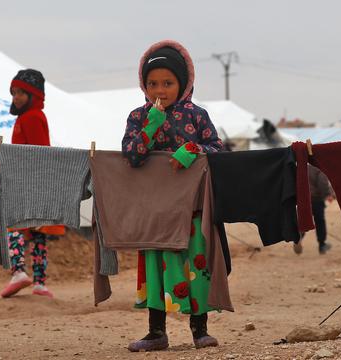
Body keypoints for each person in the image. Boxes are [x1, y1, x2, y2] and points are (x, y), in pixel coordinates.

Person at [122, 40, 225, 352]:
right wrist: (150, 128)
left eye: (167, 83)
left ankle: (200, 330)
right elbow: (131, 156)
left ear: (183, 83)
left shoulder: (196, 115)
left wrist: (192, 149)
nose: (159, 90)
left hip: (191, 207)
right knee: (155, 267)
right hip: (153, 209)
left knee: (195, 264)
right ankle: (156, 332)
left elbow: (218, 150)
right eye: (152, 83)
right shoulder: (139, 117)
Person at [0, 69, 64, 299]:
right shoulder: (28, 117)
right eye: (13, 92)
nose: (15, 97)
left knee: (14, 225)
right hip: (37, 181)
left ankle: (18, 271)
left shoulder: (32, 117)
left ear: (34, 95)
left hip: (29, 181)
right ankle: (39, 283)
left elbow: (37, 152)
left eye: (20, 92)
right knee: (38, 233)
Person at [294, 164, 335, 255]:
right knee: (320, 222)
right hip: (316, 200)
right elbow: (322, 182)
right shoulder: (317, 168)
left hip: (302, 200)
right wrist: (327, 194)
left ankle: (298, 237)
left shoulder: (299, 168)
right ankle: (322, 245)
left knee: (302, 221)